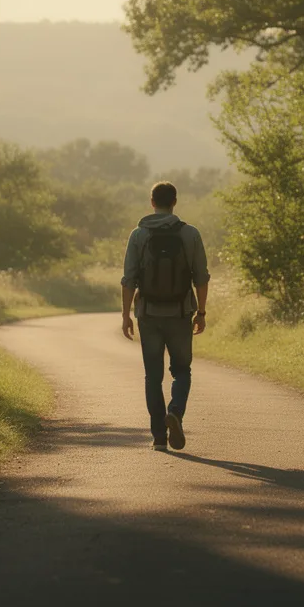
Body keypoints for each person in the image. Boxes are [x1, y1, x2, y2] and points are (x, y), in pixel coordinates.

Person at [120, 181, 210, 452]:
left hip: (148, 315)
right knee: (182, 370)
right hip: (181, 314)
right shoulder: (190, 234)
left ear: (152, 202)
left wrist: (126, 316)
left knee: (153, 376)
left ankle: (159, 437)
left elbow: (128, 280)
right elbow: (201, 278)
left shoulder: (138, 235)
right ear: (175, 202)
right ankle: (176, 413)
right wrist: (201, 313)